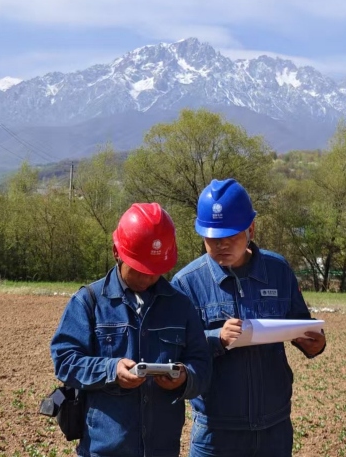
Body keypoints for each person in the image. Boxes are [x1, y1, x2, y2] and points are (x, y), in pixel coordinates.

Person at [171, 179, 326, 457]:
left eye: (231, 237)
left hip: (274, 429)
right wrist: (215, 338)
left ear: (251, 229)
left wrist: (314, 344)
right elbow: (174, 350)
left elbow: (301, 324)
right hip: (216, 434)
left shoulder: (278, 271)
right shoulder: (186, 284)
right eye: (213, 238)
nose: (222, 245)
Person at [50, 203, 212, 457]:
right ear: (117, 252)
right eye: (139, 269)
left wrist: (184, 378)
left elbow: (202, 363)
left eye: (155, 270)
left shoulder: (181, 305)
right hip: (104, 450)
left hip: (163, 449)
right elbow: (65, 361)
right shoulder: (88, 302)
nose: (148, 278)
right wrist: (111, 369)